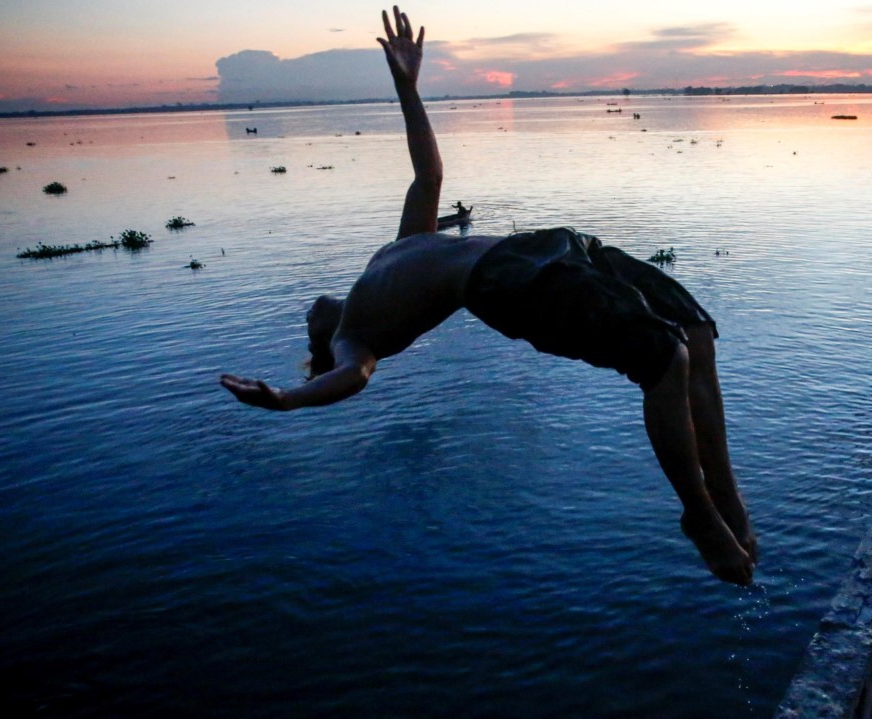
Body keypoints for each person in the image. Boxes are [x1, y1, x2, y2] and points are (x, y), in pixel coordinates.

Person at [220, 6, 756, 587]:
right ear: (324, 338)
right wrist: (289, 399)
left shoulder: (395, 251)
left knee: (695, 336)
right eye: (308, 333)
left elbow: (428, 174)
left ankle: (729, 500)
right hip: (508, 282)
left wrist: (407, 86)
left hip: (554, 247)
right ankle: (698, 514)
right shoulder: (356, 336)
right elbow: (352, 378)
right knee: (664, 356)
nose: (307, 316)